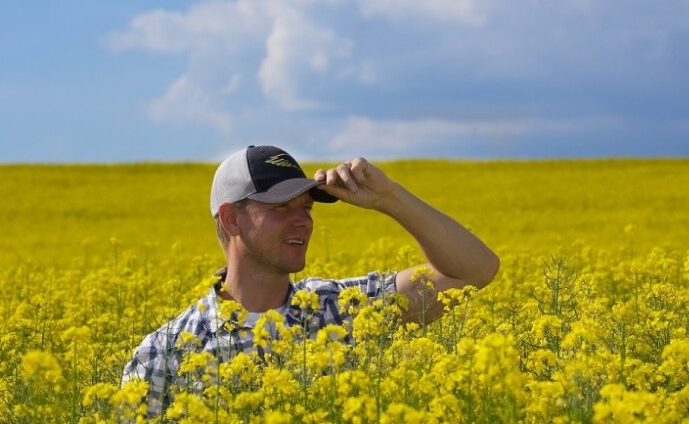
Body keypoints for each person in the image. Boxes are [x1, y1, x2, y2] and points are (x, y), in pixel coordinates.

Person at [122, 144, 500, 416]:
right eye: (281, 208)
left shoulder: (344, 308)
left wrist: (389, 198)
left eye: (306, 208)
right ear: (231, 219)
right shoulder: (163, 354)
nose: (303, 221)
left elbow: (474, 271)